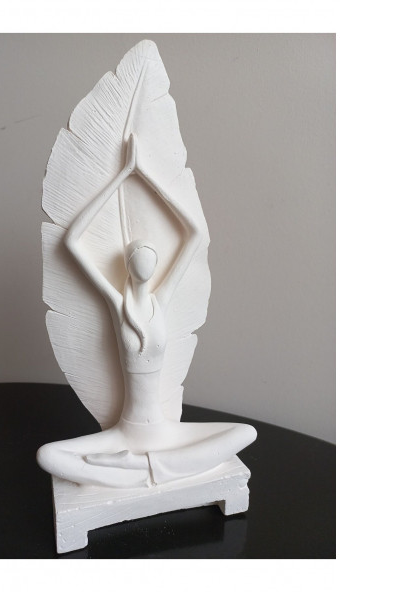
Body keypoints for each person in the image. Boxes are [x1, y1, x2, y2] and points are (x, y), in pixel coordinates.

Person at [37, 134, 256, 488]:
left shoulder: (161, 299)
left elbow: (194, 234)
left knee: (245, 432)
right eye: (138, 257)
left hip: (164, 431)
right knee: (48, 455)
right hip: (126, 431)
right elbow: (72, 241)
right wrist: (122, 174)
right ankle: (150, 470)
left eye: (150, 257)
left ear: (154, 266)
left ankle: (135, 471)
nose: (145, 262)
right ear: (128, 264)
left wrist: (146, 174)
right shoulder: (116, 303)